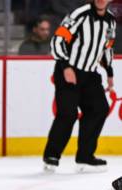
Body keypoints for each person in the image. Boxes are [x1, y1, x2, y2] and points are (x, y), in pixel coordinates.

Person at [43, 0, 116, 172]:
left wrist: (110, 73)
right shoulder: (80, 14)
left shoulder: (110, 21)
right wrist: (65, 67)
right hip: (68, 71)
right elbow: (58, 39)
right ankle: (52, 155)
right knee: (67, 114)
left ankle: (85, 156)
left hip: (90, 74)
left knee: (99, 109)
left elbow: (106, 48)